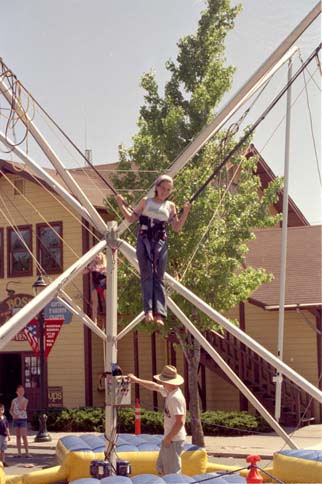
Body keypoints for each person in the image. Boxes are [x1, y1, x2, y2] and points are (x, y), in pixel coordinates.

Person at [116, 175, 191, 326]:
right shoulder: (146, 201)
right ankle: (148, 310)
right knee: (147, 274)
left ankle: (159, 313)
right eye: (163, 188)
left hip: (160, 242)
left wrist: (186, 212)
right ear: (156, 187)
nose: (165, 192)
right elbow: (131, 219)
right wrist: (120, 204)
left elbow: (176, 228)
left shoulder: (170, 206)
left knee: (159, 276)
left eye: (168, 190)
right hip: (144, 240)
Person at [128, 365, 186, 475]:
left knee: (172, 473)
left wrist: (168, 439)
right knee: (161, 468)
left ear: (168, 382)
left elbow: (180, 422)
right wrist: (136, 380)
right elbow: (154, 386)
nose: (162, 383)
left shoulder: (175, 398)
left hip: (174, 440)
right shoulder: (170, 392)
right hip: (170, 439)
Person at [83, 251, 107, 324]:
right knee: (95, 303)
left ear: (102, 257)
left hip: (103, 285)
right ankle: (94, 320)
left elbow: (108, 273)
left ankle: (105, 321)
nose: (97, 256)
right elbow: (84, 272)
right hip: (95, 285)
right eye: (96, 255)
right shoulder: (92, 266)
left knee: (105, 303)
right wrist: (89, 265)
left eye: (98, 255)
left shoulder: (105, 266)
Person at [10, 385, 31, 458]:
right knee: (18, 436)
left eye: (22, 391)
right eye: (20, 391)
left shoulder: (25, 400)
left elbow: (23, 408)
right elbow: (11, 410)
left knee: (24, 436)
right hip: (16, 419)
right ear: (17, 392)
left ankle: (27, 453)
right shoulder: (13, 400)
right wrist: (13, 415)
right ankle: (19, 453)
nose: (21, 392)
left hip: (23, 419)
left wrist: (20, 400)